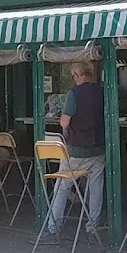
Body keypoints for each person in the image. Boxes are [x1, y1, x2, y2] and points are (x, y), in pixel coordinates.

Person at [42, 61, 106, 243]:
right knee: (95, 189)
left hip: (76, 150)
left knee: (62, 188)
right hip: (98, 149)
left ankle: (54, 228)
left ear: (77, 75)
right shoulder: (100, 92)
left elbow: (64, 122)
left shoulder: (74, 93)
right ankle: (92, 227)